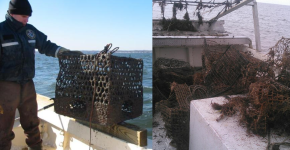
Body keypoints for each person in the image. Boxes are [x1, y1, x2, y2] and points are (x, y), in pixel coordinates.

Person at [0, 0, 82, 150]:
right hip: (5, 88)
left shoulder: (30, 31)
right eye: (24, 16)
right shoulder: (1, 30)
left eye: (29, 16)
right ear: (12, 13)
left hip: (27, 86)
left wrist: (64, 52)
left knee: (32, 124)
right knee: (3, 130)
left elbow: (46, 46)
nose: (27, 20)